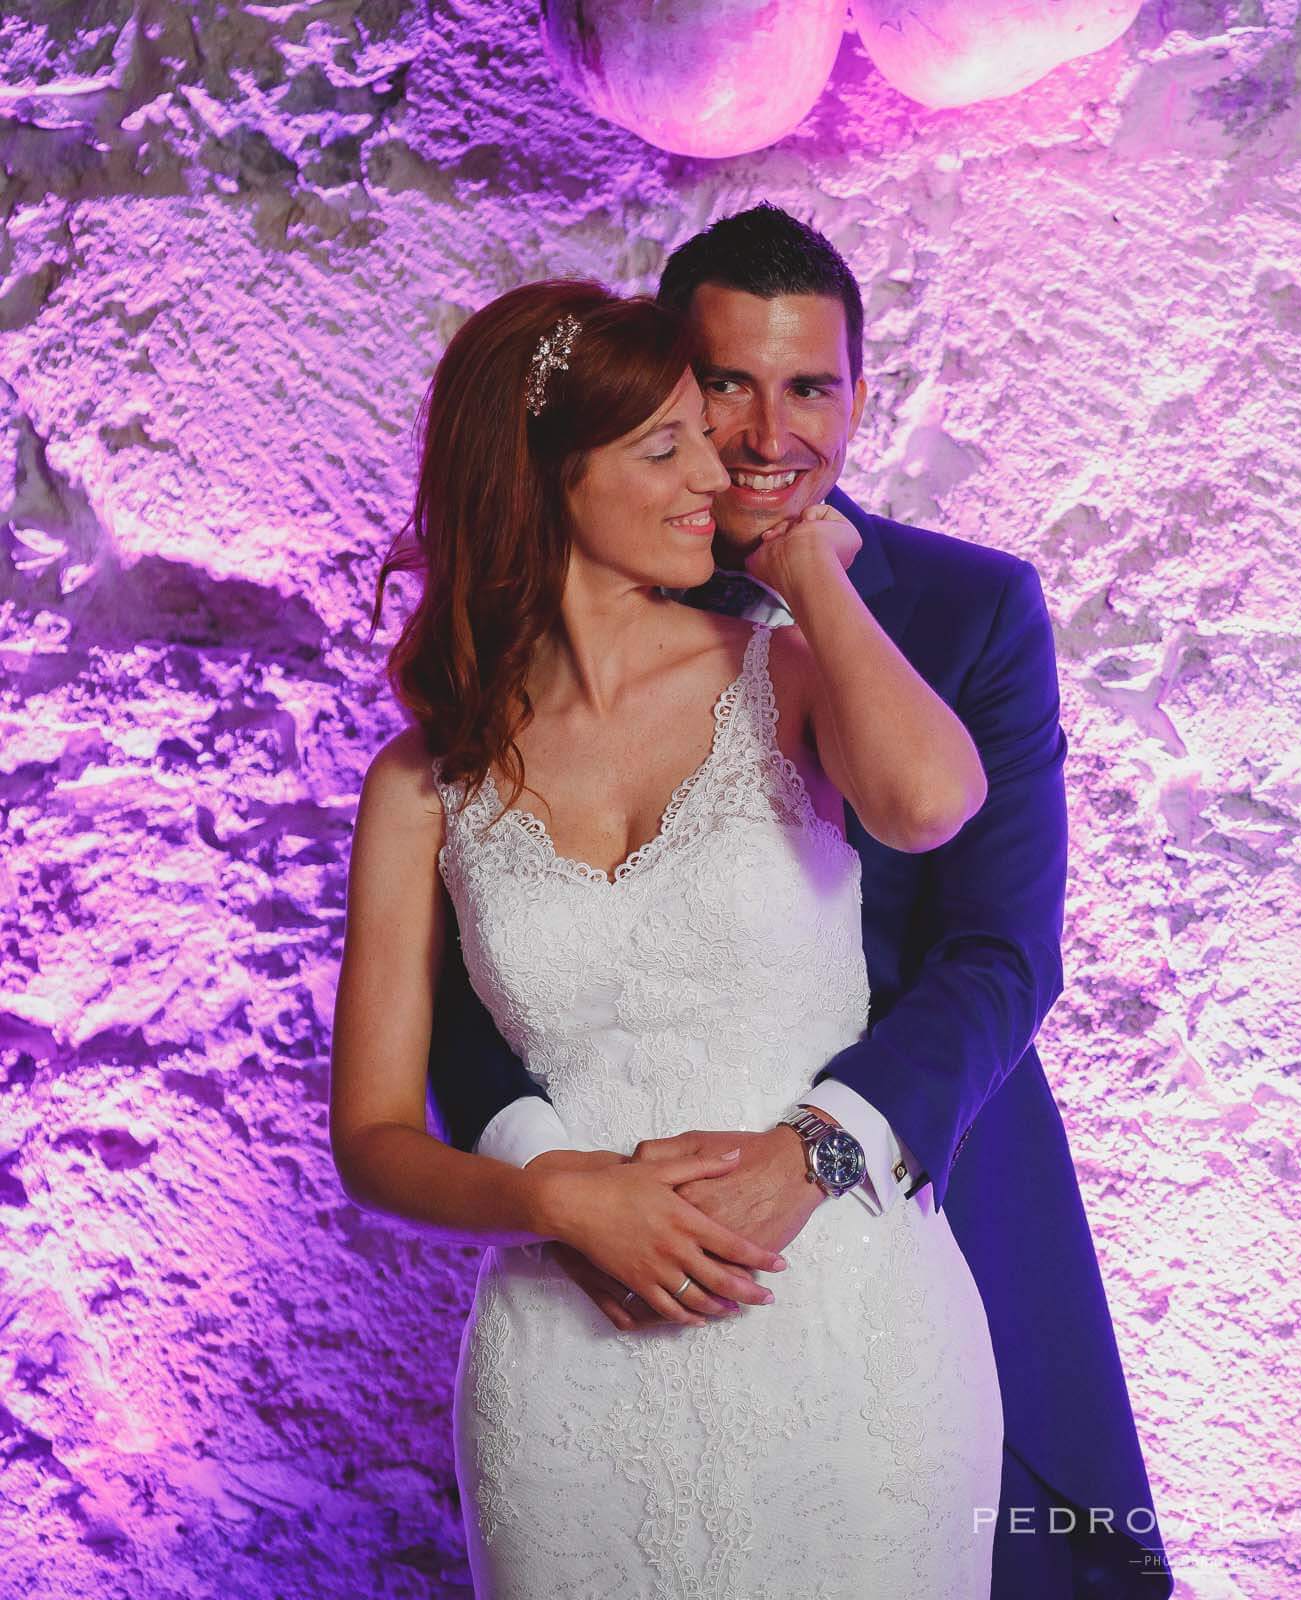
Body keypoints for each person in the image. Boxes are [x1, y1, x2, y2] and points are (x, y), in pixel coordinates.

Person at [427, 207, 1170, 1595]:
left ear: (860, 398)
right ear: (658, 383)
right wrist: (564, 1181)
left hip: (911, 1185)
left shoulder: (971, 610)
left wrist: (816, 1153)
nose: (770, 434)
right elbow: (462, 980)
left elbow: (1001, 953)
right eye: (725, 384)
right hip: (606, 1253)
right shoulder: (530, 635)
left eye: (811, 387)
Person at [329, 278, 1005, 1593]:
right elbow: (371, 1141)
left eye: (707, 434)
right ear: (541, 477)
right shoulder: (422, 784)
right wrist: (548, 1197)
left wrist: (806, 567)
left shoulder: (788, 675)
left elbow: (932, 804)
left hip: (842, 1321)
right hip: (572, 1359)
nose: (721, 469)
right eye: (666, 446)